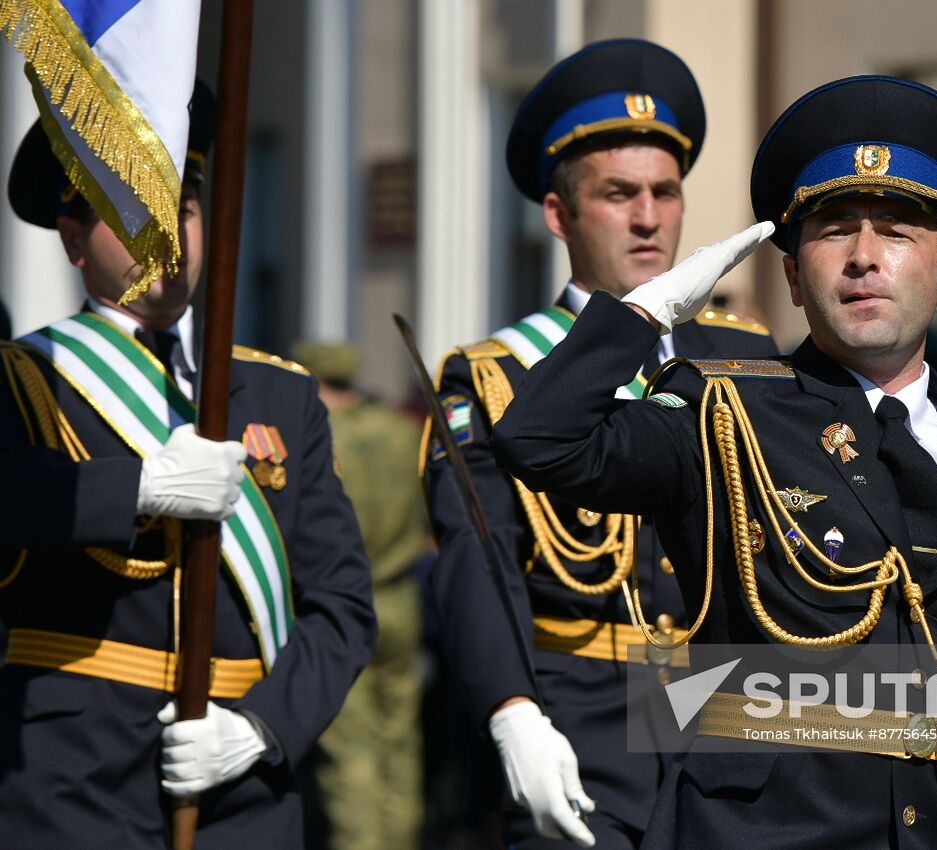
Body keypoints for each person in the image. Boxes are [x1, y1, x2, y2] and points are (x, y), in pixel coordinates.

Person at [492, 75, 937, 848]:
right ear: (791, 275)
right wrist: (646, 311)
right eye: (831, 232)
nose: (863, 258)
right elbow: (537, 438)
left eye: (895, 232)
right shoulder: (722, 415)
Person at [0, 83, 376, 849]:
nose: (168, 233)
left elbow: (341, 607)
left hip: (244, 787)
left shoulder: (280, 392)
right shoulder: (25, 377)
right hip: (75, 778)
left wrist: (262, 726)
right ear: (74, 240)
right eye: (134, 209)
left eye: (186, 208)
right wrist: (137, 488)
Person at [423, 38, 777, 850]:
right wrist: (513, 713)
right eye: (619, 194)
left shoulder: (741, 354)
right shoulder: (496, 375)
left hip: (728, 713)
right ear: (559, 214)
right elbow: (480, 562)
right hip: (581, 711)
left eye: (664, 191)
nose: (649, 217)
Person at [292, 341, 427, 850]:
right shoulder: (402, 430)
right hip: (401, 596)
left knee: (350, 750)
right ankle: (402, 837)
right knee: (401, 738)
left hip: (342, 605)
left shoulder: (319, 436)